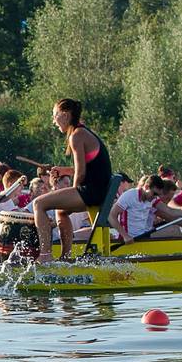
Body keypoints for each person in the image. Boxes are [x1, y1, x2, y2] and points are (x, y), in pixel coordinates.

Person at [28, 99, 113, 261]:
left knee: (38, 204)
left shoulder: (77, 136)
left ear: (65, 115)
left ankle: (45, 255)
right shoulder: (82, 132)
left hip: (92, 192)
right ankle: (65, 257)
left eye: (55, 116)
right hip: (97, 189)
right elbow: (85, 169)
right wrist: (64, 170)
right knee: (61, 211)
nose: (54, 121)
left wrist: (74, 191)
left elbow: (80, 174)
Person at [115, 174, 182, 241]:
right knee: (173, 230)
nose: (155, 197)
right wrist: (125, 236)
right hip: (129, 239)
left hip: (142, 236)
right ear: (146, 187)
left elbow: (170, 211)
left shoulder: (152, 199)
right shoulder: (130, 195)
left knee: (174, 229)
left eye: (158, 195)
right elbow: (111, 216)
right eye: (154, 194)